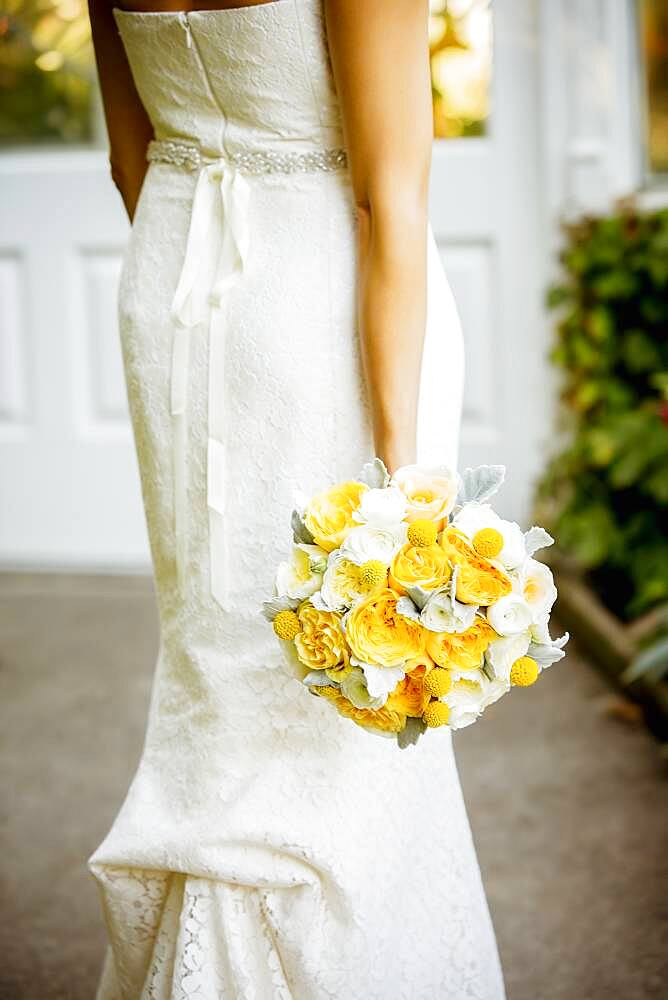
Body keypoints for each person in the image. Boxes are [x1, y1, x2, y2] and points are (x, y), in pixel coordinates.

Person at [86, 1, 506, 996]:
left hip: (180, 295)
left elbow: (126, 157)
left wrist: (203, 317)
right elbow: (382, 200)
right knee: (360, 662)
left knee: (220, 648)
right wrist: (406, 493)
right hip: (322, 303)